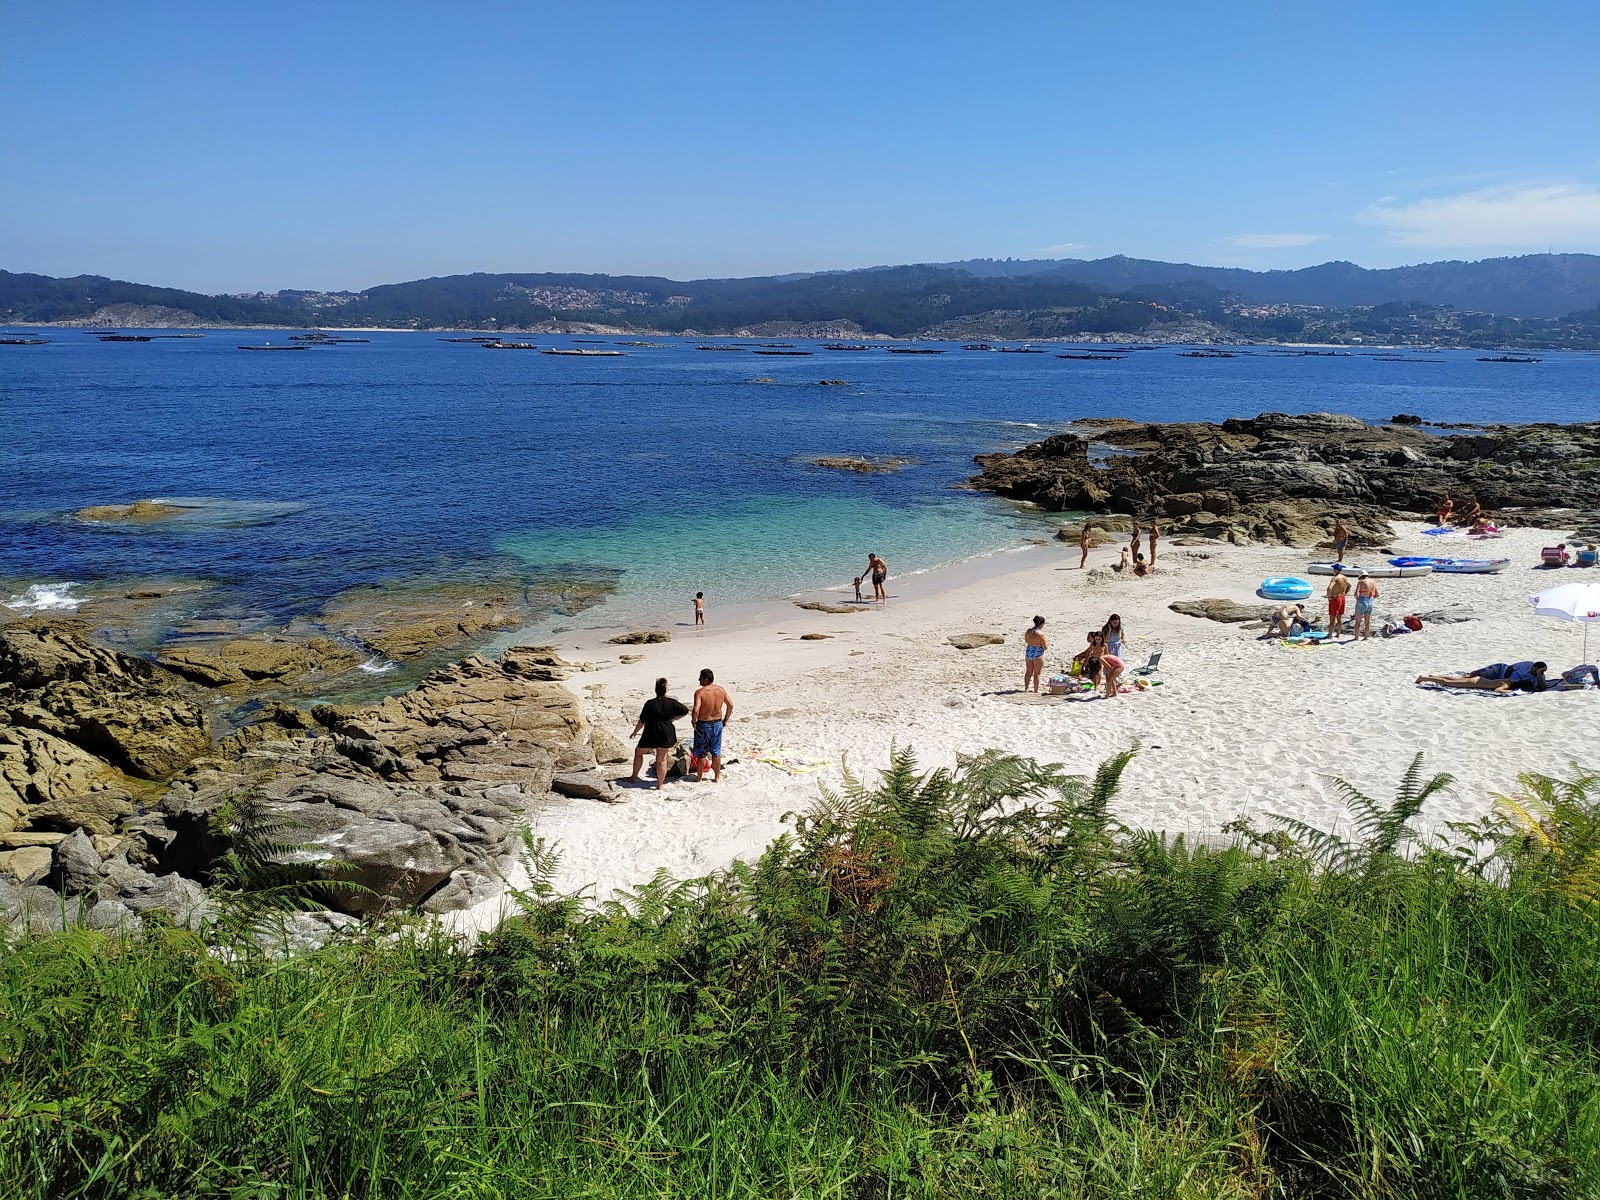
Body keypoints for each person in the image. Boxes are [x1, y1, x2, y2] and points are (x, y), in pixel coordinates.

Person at [628, 678, 689, 791]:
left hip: (651, 733)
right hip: (666, 733)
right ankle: (659, 785)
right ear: (666, 690)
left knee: (638, 752)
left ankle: (634, 777)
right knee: (662, 759)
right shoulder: (671, 702)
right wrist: (674, 719)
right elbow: (685, 710)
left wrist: (635, 731)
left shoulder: (650, 704)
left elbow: (642, 721)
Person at [691, 668, 734, 782]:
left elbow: (695, 710)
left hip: (704, 725)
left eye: (700, 677)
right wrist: (725, 720)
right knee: (716, 751)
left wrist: (694, 722)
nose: (698, 679)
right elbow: (730, 705)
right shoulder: (721, 690)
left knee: (701, 753)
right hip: (717, 723)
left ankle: (699, 777)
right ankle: (717, 776)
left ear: (705, 679)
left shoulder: (700, 692)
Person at [1416, 661, 1547, 692]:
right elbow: (1499, 690)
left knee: (1453, 680)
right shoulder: (1507, 684)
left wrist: (1540, 673)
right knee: (1448, 682)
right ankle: (1424, 678)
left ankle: (1432, 676)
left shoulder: (1509, 681)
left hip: (1479, 682)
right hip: (1477, 682)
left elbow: (1541, 686)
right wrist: (1510, 692)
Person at [1023, 615, 1048, 693]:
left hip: (1029, 651)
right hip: (1038, 653)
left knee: (1028, 672)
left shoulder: (1028, 631)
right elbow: (1045, 647)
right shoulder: (1041, 635)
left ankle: (1026, 688)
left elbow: (1026, 641)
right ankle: (1036, 690)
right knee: (1037, 673)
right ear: (1041, 624)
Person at [1353, 572, 1379, 641]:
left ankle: (1356, 638)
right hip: (1370, 601)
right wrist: (1370, 598)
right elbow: (1377, 594)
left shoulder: (1361, 582)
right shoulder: (1373, 582)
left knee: (1358, 622)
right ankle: (1366, 637)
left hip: (1362, 600)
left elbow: (1356, 594)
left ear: (1361, 576)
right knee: (1367, 622)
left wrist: (1358, 599)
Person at [1326, 566, 1351, 636]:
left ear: (1335, 570)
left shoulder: (1335, 578)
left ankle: (1330, 635)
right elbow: (1349, 586)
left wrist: (1329, 598)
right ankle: (1338, 634)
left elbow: (1329, 588)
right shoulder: (1344, 577)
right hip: (1342, 597)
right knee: (1339, 617)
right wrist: (1345, 593)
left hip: (1335, 598)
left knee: (1332, 618)